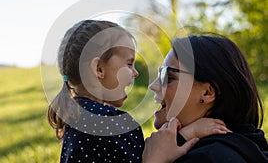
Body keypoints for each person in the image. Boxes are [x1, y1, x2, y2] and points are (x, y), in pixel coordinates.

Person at [47, 20, 229, 163]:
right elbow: (154, 157)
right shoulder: (112, 122)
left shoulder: (76, 119)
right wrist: (191, 132)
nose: (135, 73)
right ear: (99, 69)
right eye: (129, 63)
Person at [143, 34, 268, 163]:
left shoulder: (206, 158)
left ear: (207, 93)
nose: (153, 86)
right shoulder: (245, 148)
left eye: (168, 77)